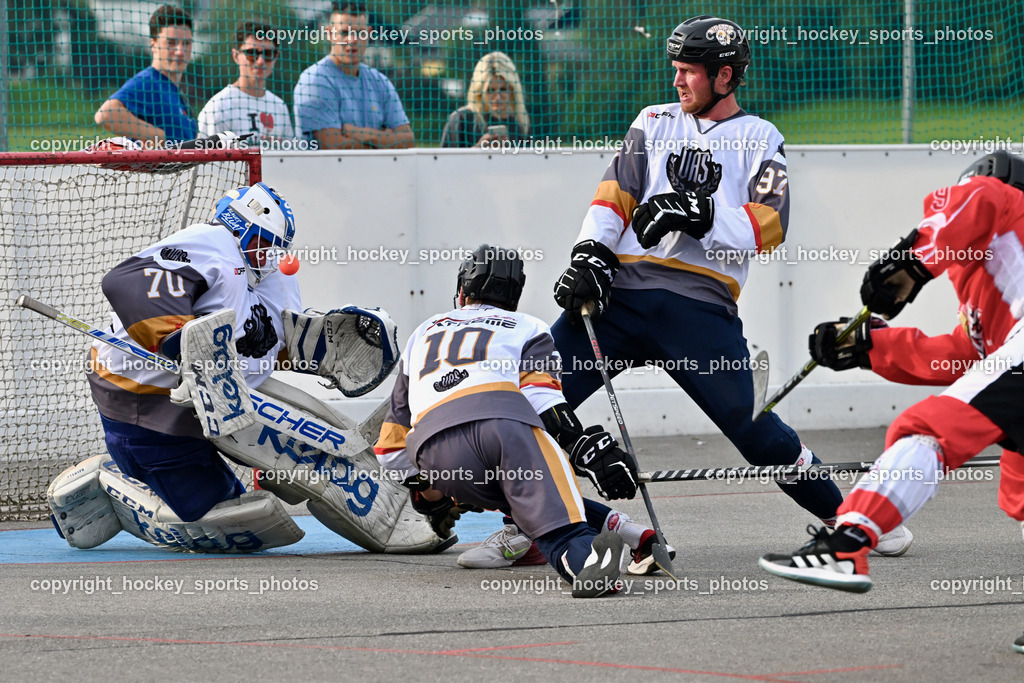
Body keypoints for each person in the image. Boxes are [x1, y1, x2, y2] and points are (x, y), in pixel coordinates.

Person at [539, 15, 915, 559]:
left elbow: (771, 223)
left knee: (755, 431)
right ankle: (537, 526)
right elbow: (613, 197)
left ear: (724, 77)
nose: (677, 81)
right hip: (616, 298)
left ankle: (853, 519)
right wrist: (589, 254)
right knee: (531, 406)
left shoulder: (761, 137)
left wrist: (700, 213)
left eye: (688, 71)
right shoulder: (653, 120)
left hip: (699, 310)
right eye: (676, 70)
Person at [758, 152, 1024, 652]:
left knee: (928, 430)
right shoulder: (997, 286)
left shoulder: (1001, 201)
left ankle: (849, 541)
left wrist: (908, 264)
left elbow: (976, 201)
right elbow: (966, 355)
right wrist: (869, 347)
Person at [374, 245, 674, 597]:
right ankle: (587, 565)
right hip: (502, 428)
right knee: (557, 524)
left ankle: (639, 538)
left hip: (434, 451)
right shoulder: (528, 326)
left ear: (461, 290)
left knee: (524, 500)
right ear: (515, 295)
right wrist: (578, 446)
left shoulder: (423, 331)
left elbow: (389, 448)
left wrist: (427, 485)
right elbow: (542, 398)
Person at [47, 183, 305, 553]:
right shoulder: (212, 244)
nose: (269, 256)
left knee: (259, 502)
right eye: (262, 244)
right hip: (149, 405)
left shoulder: (268, 272)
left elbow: (265, 343)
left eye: (275, 248)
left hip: (220, 407)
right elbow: (124, 281)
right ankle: (111, 480)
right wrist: (175, 342)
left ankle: (144, 475)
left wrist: (315, 347)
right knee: (235, 526)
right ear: (239, 229)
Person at [293, 1, 413, 149]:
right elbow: (334, 146)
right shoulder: (315, 80)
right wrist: (384, 141)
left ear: (369, 34)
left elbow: (407, 141)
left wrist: (364, 134)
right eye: (344, 32)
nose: (352, 40)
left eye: (360, 33)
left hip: (376, 171)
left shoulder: (380, 82)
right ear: (329, 34)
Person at [94, 4, 198, 146]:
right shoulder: (148, 82)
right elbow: (106, 114)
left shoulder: (177, 93)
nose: (180, 51)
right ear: (154, 44)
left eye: (186, 43)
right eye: (171, 43)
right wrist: (159, 137)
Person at [198, 21, 295, 143]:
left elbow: (289, 156)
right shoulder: (218, 107)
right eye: (252, 53)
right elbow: (207, 160)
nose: (260, 61)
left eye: (268, 53)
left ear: (276, 55)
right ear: (236, 56)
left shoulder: (279, 107)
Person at [440, 51, 530, 148]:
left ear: (513, 89)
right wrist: (478, 150)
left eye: (503, 89)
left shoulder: (520, 122)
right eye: (490, 90)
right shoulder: (461, 119)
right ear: (479, 91)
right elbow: (444, 161)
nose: (498, 97)